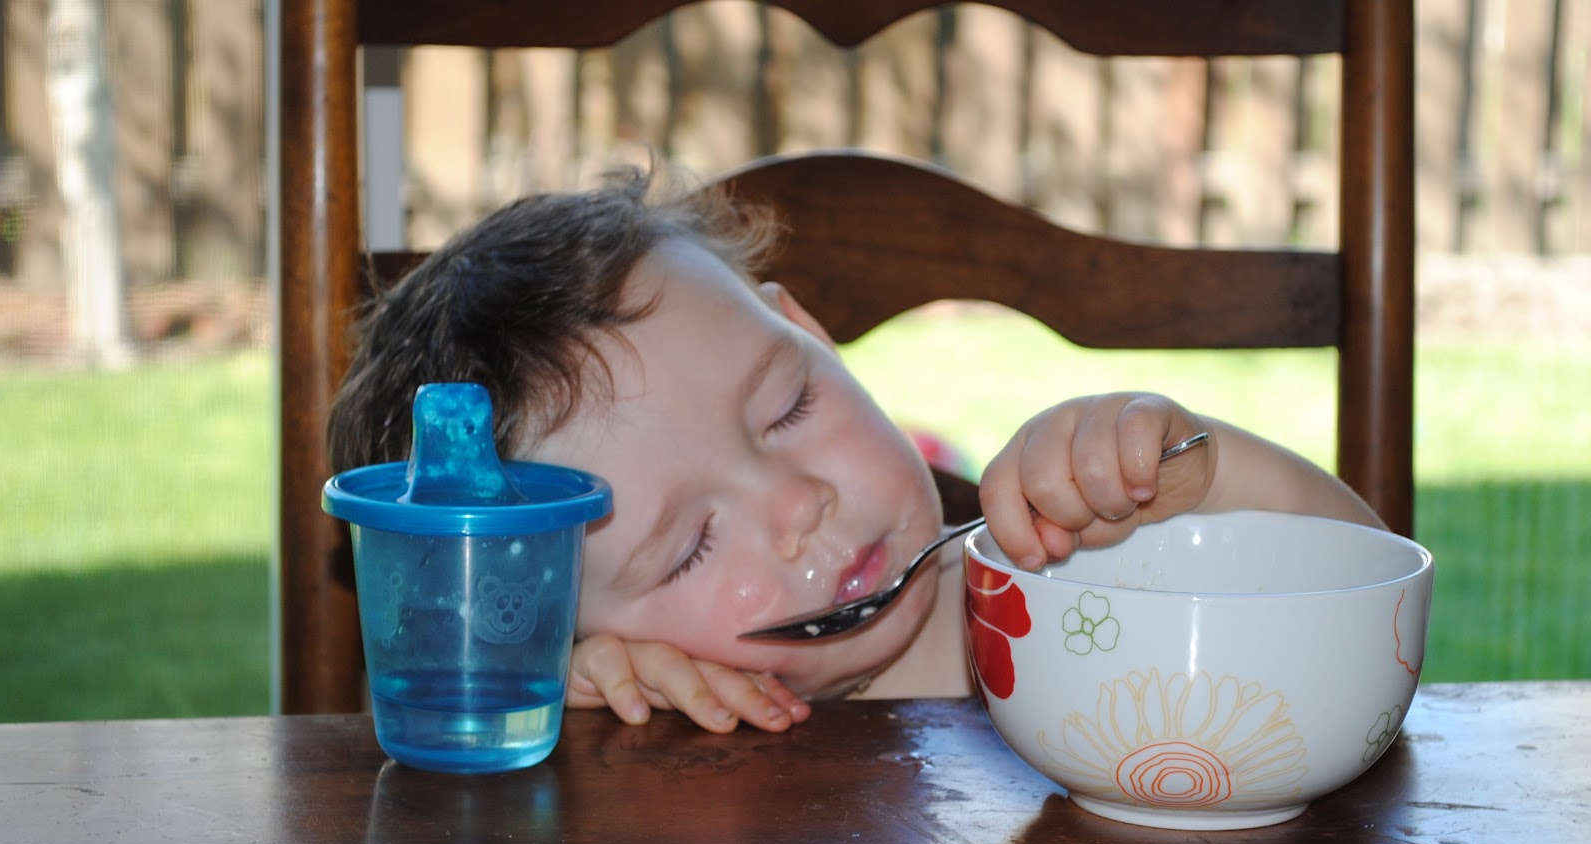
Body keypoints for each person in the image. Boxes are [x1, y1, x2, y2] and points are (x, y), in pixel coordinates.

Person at [329, 166, 1382, 736]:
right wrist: (581, 716)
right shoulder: (655, 718)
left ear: (814, 334)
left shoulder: (1079, 582)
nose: (799, 505)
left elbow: (1368, 629)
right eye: (690, 547)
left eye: (788, 406)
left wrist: (1197, 474)